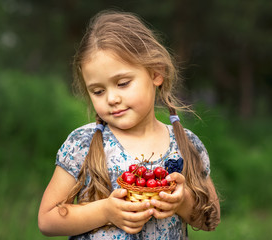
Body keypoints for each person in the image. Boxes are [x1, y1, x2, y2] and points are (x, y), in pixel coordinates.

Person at [38, 10, 220, 239]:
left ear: (156, 73)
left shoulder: (186, 145)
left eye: (123, 83)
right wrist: (105, 211)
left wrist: (182, 202)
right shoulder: (82, 144)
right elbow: (47, 220)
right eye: (98, 91)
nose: (111, 98)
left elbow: (210, 219)